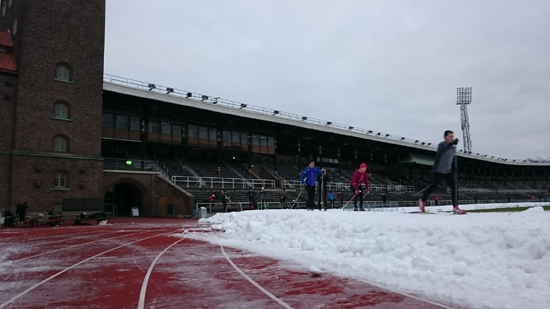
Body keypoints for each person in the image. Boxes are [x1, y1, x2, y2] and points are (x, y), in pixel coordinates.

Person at [419, 130, 465, 214]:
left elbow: (451, 158)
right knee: (433, 186)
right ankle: (422, 200)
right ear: (445, 137)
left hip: (447, 171)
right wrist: (450, 144)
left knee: (454, 187)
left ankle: (455, 206)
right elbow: (441, 152)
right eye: (450, 137)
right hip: (438, 170)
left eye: (452, 137)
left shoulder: (453, 148)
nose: (452, 138)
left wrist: (454, 166)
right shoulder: (442, 145)